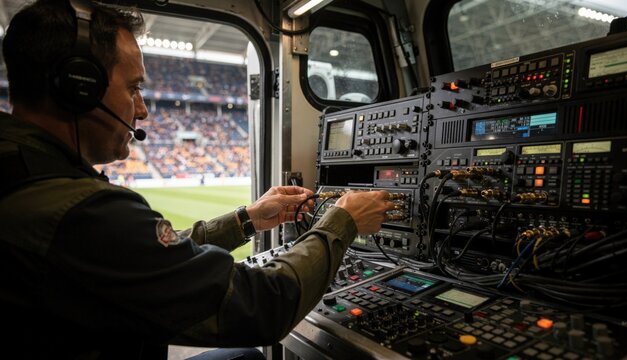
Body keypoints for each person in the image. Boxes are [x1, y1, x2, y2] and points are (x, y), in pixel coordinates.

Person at [0, 1, 395, 359]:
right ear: (78, 87)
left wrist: (248, 219)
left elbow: (147, 261)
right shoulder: (76, 211)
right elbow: (261, 306)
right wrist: (342, 221)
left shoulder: (25, 172)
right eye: (134, 88)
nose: (143, 111)